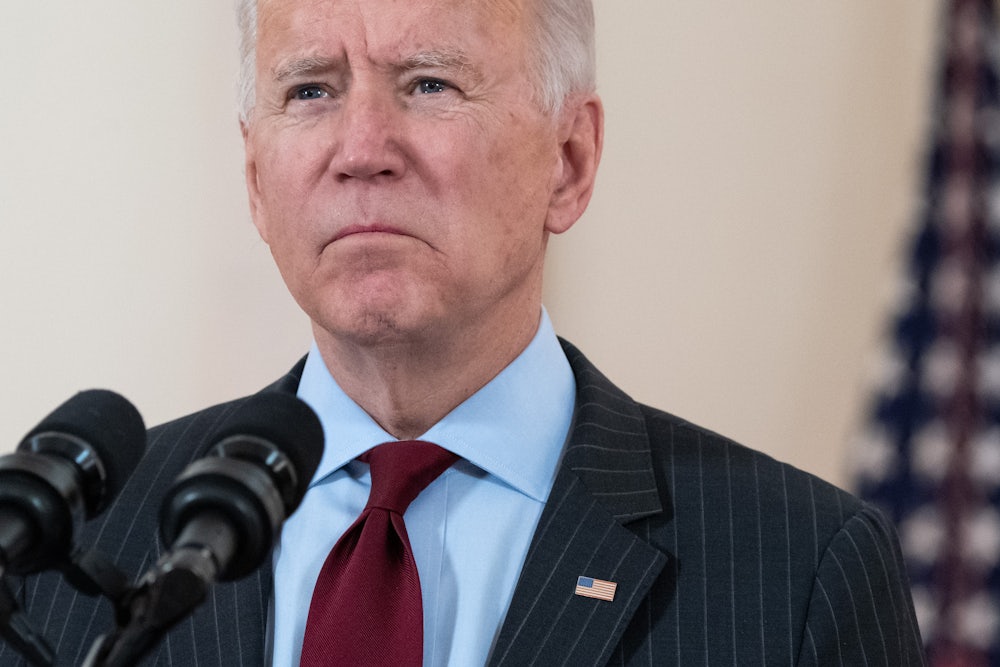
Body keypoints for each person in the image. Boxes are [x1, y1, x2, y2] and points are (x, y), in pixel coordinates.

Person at [1, 0, 925, 665]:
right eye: (312, 91)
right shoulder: (68, 553)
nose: (362, 147)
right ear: (254, 178)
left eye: (429, 83)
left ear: (569, 161)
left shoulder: (796, 570)